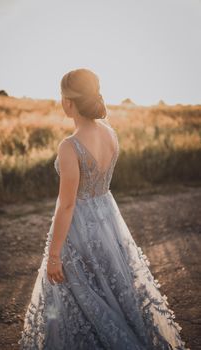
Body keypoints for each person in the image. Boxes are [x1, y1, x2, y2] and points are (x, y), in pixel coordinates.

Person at [18, 68, 189, 349]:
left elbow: (67, 203)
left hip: (79, 225)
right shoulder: (110, 134)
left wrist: (54, 255)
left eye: (61, 96)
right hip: (108, 220)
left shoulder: (69, 146)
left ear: (69, 102)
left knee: (79, 295)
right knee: (112, 290)